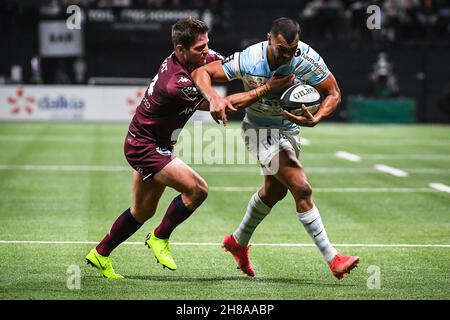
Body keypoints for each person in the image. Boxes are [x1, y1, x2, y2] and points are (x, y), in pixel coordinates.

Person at [85, 17, 293, 279]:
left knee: (143, 210)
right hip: (144, 146)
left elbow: (231, 68)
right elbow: (220, 104)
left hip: (155, 142)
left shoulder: (200, 58)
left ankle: (100, 254)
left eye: (207, 45)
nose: (206, 52)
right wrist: (265, 89)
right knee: (197, 190)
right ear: (180, 50)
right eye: (199, 48)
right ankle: (159, 237)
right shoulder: (176, 84)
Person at [192, 17, 361, 280]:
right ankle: (333, 258)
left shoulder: (306, 59)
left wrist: (317, 118)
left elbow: (333, 93)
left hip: (289, 131)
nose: (287, 56)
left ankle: (238, 241)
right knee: (301, 187)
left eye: (292, 50)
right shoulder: (250, 58)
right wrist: (214, 97)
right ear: (269, 39)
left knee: (274, 191)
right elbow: (200, 73)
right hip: (259, 130)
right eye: (282, 50)